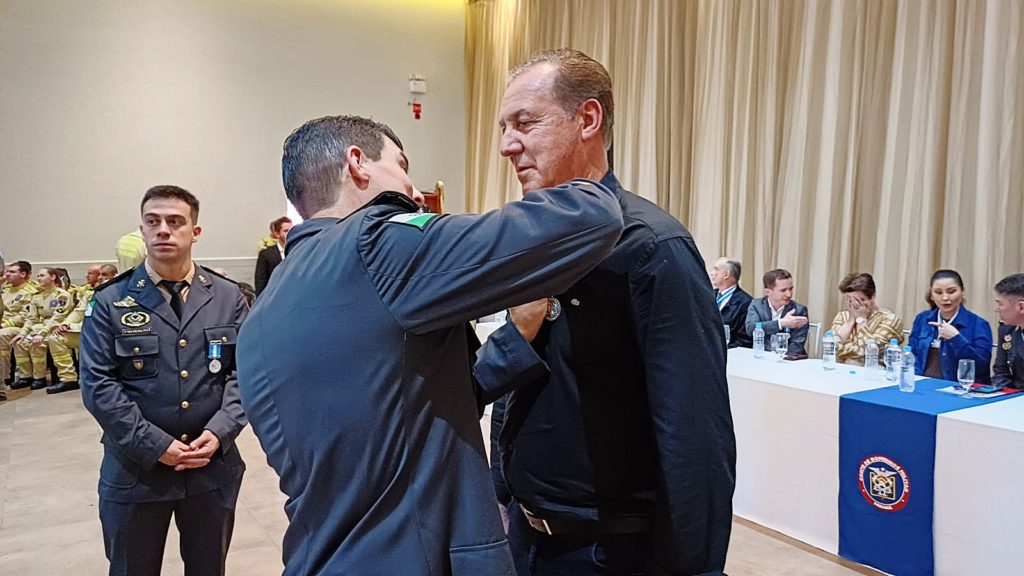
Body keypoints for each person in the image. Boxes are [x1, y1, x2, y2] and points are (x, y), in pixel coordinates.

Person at [235, 114, 623, 576]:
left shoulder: (261, 315)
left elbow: (402, 411)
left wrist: (514, 338)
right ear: (358, 163)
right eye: (402, 166)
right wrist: (575, 157)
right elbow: (589, 219)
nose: (414, 192)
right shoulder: (375, 244)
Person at [475, 49, 735, 576]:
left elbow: (694, 431)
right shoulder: (532, 237)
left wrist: (696, 566)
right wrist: (503, 491)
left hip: (605, 553)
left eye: (525, 123)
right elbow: (525, 379)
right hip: (526, 538)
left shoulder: (652, 247)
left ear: (588, 119)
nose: (506, 145)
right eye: (504, 127)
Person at [80, 185, 248, 576]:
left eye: (175, 221)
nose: (163, 230)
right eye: (153, 221)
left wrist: (221, 431)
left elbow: (245, 373)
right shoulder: (110, 300)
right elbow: (99, 385)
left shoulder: (227, 297)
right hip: (137, 471)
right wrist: (155, 445)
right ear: (142, 229)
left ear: (195, 231)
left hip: (210, 467)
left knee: (208, 568)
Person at [908, 270, 992, 383]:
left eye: (951, 291)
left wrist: (956, 339)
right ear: (931, 295)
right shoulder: (922, 319)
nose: (945, 298)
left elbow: (982, 368)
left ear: (962, 292)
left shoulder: (978, 324)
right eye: (938, 292)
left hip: (959, 388)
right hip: (923, 384)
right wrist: (917, 382)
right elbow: (912, 355)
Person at [11, 267, 74, 390]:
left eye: (42, 275)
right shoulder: (37, 296)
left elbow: (58, 317)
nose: (39, 278)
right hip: (40, 328)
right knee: (20, 342)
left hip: (56, 328)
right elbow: (31, 318)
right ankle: (26, 376)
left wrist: (42, 333)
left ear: (53, 277)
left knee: (36, 343)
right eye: (38, 276)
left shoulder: (62, 295)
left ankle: (39, 377)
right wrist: (23, 333)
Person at [830, 272, 903, 366]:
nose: (855, 305)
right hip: (840, 369)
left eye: (860, 300)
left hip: (874, 371)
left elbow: (867, 352)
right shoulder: (842, 316)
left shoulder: (890, 320)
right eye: (850, 300)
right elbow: (831, 348)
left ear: (872, 297)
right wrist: (850, 321)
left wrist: (861, 320)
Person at [746, 268, 811, 357]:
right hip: (763, 356)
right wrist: (781, 323)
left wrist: (779, 360)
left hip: (789, 359)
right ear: (767, 292)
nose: (789, 294)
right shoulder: (757, 305)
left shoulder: (799, 310)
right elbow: (751, 328)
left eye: (791, 289)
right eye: (783, 290)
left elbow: (796, 345)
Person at [2, 261, 37, 387]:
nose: (7, 274)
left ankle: (4, 376)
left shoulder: (30, 291)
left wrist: (4, 324)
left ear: (23, 274)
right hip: (3, 322)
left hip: (19, 327)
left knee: (1, 335)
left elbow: (25, 316)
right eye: (7, 271)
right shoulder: (6, 289)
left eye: (12, 272)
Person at [712, 256, 753, 348]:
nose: (712, 273)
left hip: (729, 351)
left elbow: (744, 340)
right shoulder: (709, 295)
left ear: (726, 274)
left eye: (716, 269)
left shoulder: (746, 303)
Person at [993, 273, 1024, 389]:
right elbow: (1001, 373)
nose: (996, 309)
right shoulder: (1006, 330)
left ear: (1021, 307)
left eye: (1000, 304)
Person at [253, 216, 292, 295]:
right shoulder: (266, 254)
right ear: (277, 234)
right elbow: (260, 280)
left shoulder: (298, 250)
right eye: (286, 231)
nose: (290, 234)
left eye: (292, 230)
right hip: (274, 294)